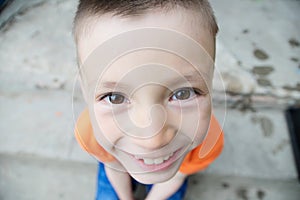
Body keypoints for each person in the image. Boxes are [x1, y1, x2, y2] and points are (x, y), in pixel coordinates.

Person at [73, 0, 224, 199]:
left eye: (183, 93)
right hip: (116, 160)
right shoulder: (90, 135)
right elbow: (113, 165)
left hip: (178, 162)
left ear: (210, 82)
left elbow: (177, 176)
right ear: (85, 91)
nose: (152, 140)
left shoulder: (208, 143)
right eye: (115, 97)